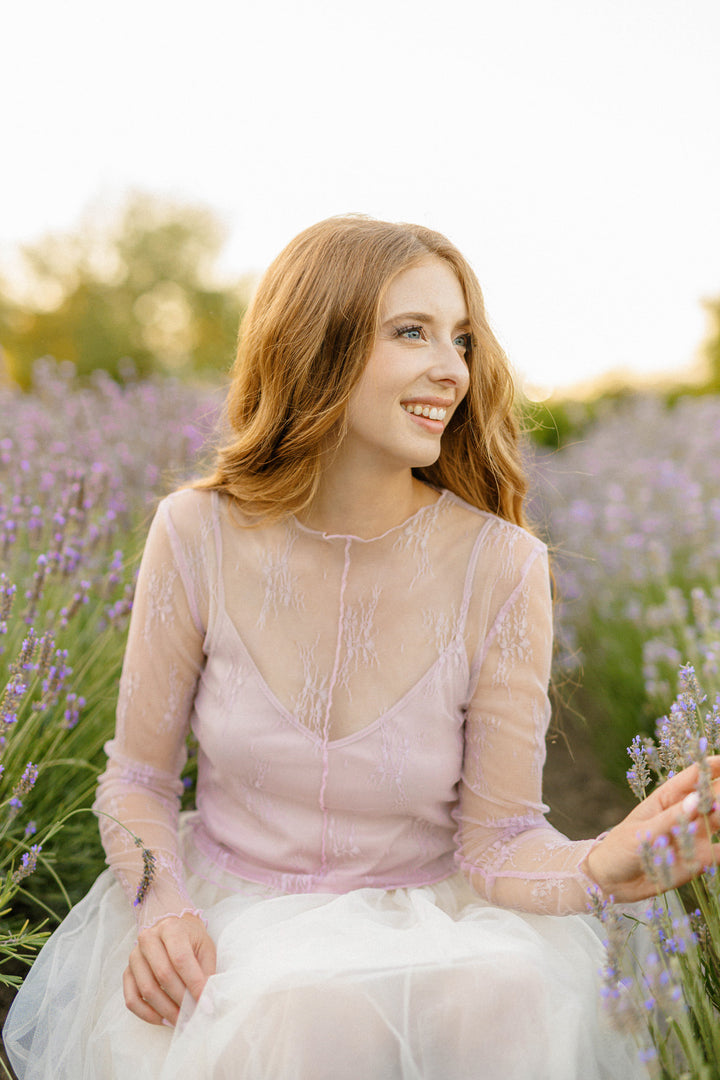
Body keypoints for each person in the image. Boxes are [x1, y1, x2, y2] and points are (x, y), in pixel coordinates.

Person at [4, 215, 719, 1080]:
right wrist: (162, 905)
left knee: (510, 988)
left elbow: (498, 842)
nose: (453, 369)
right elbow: (139, 781)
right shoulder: (194, 531)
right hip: (240, 917)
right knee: (302, 1006)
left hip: (432, 922)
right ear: (317, 343)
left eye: (461, 338)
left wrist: (602, 864)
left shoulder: (502, 565)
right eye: (412, 331)